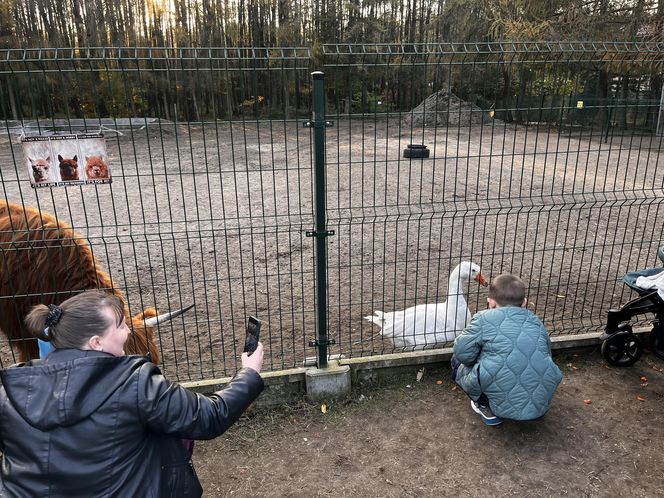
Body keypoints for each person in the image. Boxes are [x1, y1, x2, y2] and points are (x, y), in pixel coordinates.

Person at [0, 290, 265, 497]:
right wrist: (249, 373)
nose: (129, 330)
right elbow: (209, 415)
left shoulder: (11, 389)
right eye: (121, 325)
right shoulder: (134, 382)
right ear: (96, 342)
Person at [451, 273, 563, 426]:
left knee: (457, 359)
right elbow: (547, 352)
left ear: (491, 302)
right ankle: (531, 405)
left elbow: (463, 354)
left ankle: (485, 405)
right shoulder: (535, 321)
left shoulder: (482, 319)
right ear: (524, 302)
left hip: (500, 407)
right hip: (541, 407)